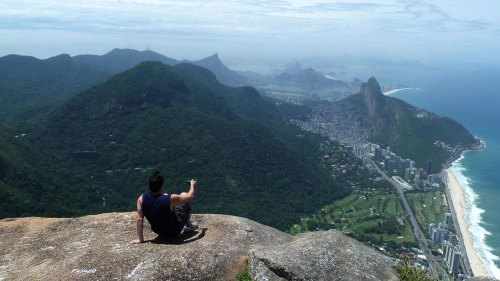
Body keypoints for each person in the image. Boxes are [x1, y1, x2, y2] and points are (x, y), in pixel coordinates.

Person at [131, 171, 198, 244]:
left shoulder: (141, 199)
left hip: (159, 231)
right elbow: (190, 197)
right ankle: (188, 226)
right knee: (184, 194)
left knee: (169, 203)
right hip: (174, 231)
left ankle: (141, 238)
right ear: (162, 185)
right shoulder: (170, 199)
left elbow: (139, 219)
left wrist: (140, 239)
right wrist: (192, 185)